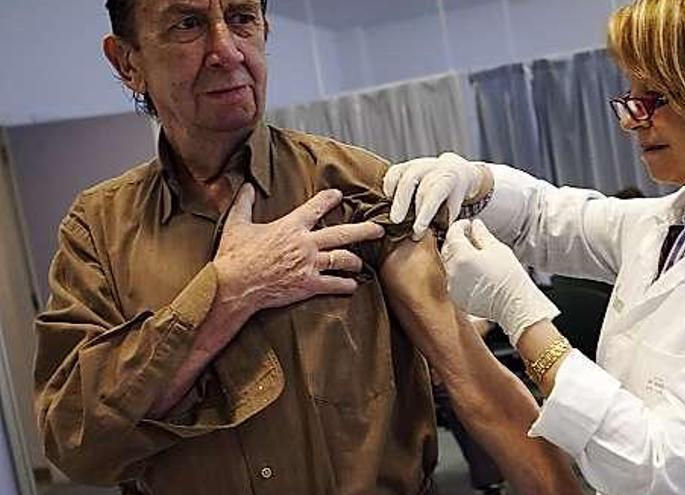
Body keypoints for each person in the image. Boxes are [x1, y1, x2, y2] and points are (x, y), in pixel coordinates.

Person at [32, 1, 581, 494]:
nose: (226, 50)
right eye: (188, 24)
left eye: (243, 18)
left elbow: (474, 383)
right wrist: (226, 295)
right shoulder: (98, 229)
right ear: (127, 61)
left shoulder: (357, 186)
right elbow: (75, 441)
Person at [383, 0, 685, 493]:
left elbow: (659, 464)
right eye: (630, 97)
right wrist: (473, 180)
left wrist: (520, 314)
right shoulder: (669, 223)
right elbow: (543, 216)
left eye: (653, 98)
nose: (630, 120)